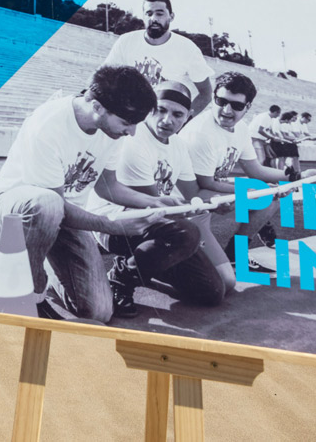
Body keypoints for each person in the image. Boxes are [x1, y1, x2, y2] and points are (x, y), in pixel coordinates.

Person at [0, 65, 163, 322]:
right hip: (14, 205)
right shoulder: (49, 124)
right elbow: (57, 206)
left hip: (64, 215)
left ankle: (45, 258)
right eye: (126, 123)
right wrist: (113, 225)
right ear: (97, 106)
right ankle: (29, 297)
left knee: (99, 311)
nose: (131, 132)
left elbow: (108, 186)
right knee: (46, 205)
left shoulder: (110, 132)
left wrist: (154, 202)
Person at [86, 81, 226, 317]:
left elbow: (192, 195)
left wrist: (221, 202)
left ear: (188, 117)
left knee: (211, 292)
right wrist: (200, 206)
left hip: (157, 225)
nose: (167, 120)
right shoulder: (134, 139)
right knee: (187, 233)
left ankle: (145, 261)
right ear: (149, 108)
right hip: (117, 224)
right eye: (160, 110)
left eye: (177, 114)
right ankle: (121, 278)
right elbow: (155, 203)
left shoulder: (178, 145)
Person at [185, 71, 292, 291]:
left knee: (271, 198)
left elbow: (255, 169)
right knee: (225, 283)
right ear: (214, 97)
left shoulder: (241, 128)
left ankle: (236, 256)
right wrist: (252, 189)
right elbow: (205, 183)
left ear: (248, 107)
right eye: (221, 101)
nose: (226, 110)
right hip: (189, 202)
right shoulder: (201, 132)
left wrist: (294, 177)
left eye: (235, 105)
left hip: (209, 195)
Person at [102, 0, 213, 116]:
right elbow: (104, 77)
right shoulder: (126, 41)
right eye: (149, 14)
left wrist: (184, 119)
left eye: (160, 13)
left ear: (171, 16)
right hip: (128, 113)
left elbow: (206, 93)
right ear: (143, 17)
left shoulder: (187, 49)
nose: (153, 18)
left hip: (161, 119)